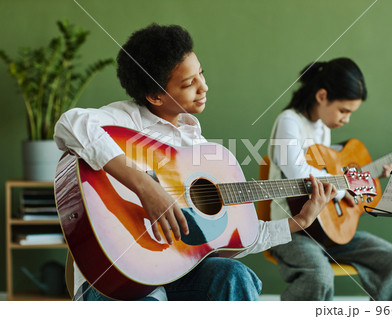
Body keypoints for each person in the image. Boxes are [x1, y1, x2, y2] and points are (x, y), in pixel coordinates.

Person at [54, 23, 337, 301]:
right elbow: (71, 123)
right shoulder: (126, 120)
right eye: (189, 83)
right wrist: (145, 187)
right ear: (154, 96)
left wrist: (299, 221)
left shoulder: (197, 149)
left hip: (177, 271)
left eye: (200, 74)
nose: (204, 87)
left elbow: (233, 238)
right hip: (118, 275)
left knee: (235, 276)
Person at [268, 58, 392, 301]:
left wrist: (367, 178)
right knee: (319, 275)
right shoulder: (289, 122)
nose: (346, 119)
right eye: (344, 110)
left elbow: (329, 178)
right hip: (291, 229)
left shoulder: (323, 128)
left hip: (326, 231)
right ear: (322, 96)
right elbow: (298, 172)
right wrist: (342, 186)